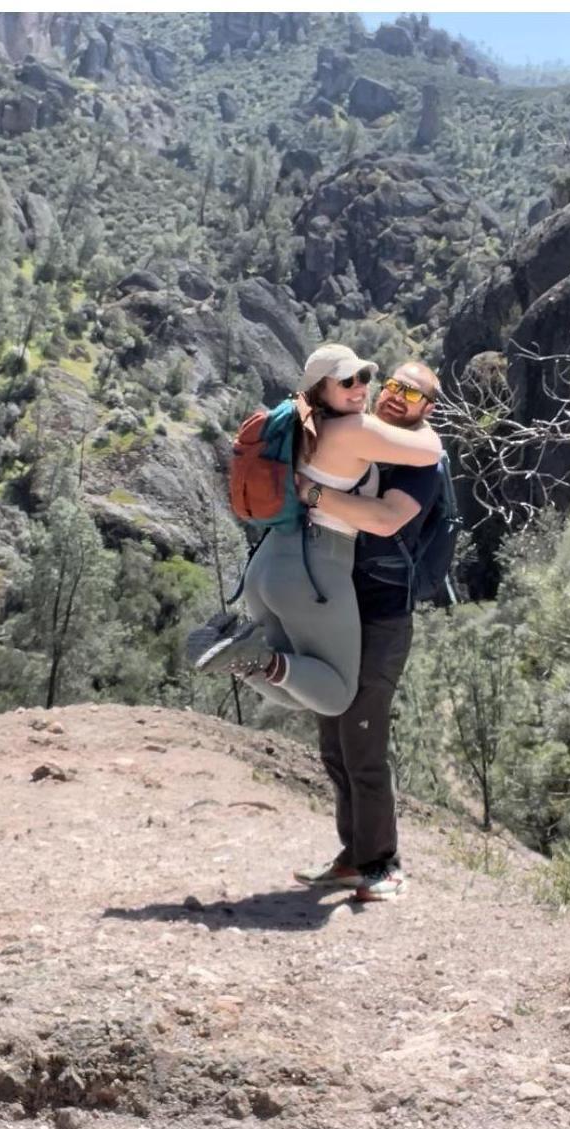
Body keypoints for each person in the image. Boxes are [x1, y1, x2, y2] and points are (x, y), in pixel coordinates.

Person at [193, 345, 443, 719]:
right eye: (346, 380)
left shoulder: (300, 420)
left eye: (365, 377)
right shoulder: (353, 428)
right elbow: (430, 452)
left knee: (296, 686)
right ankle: (246, 653)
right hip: (314, 567)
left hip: (266, 566)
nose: (360, 388)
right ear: (321, 389)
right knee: (336, 696)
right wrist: (423, 415)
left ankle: (228, 646)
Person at [291, 360, 444, 902]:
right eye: (395, 385)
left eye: (414, 393)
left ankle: (384, 864)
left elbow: (383, 520)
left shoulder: (421, 464)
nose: (398, 396)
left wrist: (309, 493)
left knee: (362, 738)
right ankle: (352, 856)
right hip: (341, 606)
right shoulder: (372, 442)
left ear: (427, 408)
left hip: (382, 615)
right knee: (334, 736)